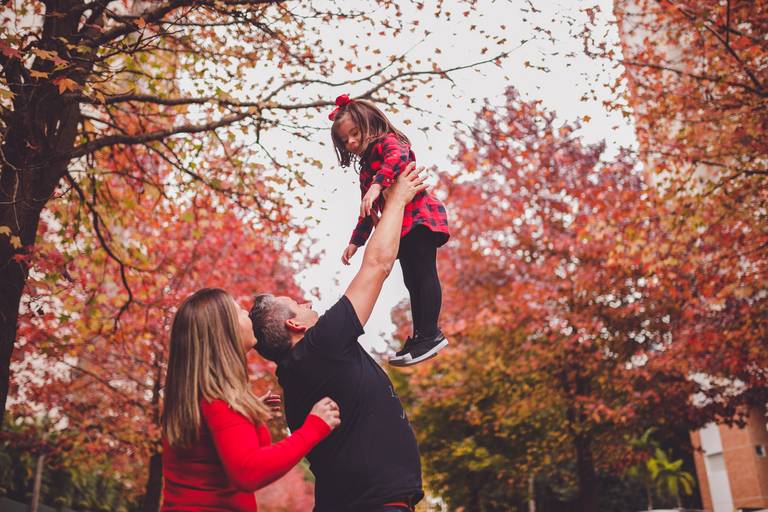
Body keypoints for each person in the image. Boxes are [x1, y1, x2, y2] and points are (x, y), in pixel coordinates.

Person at [250, 165, 429, 511]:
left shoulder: (297, 378)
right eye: (296, 305)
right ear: (296, 327)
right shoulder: (323, 346)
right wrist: (399, 201)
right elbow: (376, 266)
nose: (307, 302)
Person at [160, 288, 341, 511]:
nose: (247, 314)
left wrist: (247, 418)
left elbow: (237, 455)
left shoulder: (198, 395)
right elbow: (249, 472)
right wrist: (313, 428)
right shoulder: (219, 398)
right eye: (238, 311)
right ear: (223, 331)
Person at [330, 93, 450, 366]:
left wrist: (377, 185)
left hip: (419, 219)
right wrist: (355, 242)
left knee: (423, 274)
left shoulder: (389, 143)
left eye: (355, 133)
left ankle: (430, 333)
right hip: (400, 227)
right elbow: (367, 210)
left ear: (370, 125)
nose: (351, 142)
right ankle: (422, 335)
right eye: (344, 139)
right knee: (412, 281)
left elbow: (398, 159)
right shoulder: (364, 171)